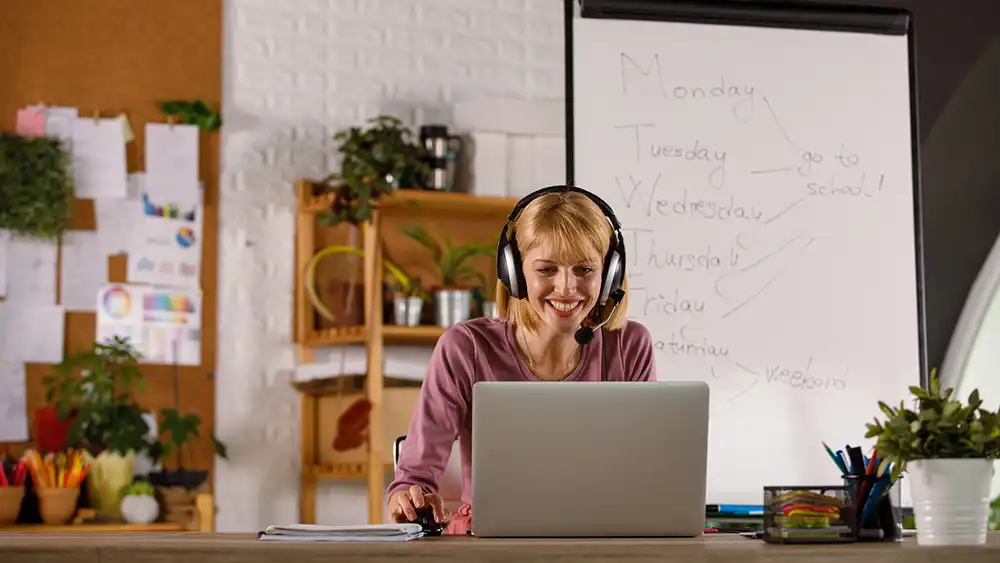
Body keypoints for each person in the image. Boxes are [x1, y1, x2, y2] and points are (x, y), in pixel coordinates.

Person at [385, 185, 657, 534]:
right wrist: (410, 500)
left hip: (600, 537)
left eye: (584, 270)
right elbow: (413, 479)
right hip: (489, 543)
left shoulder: (629, 346)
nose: (566, 288)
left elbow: (647, 475)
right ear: (515, 273)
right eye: (547, 269)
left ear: (609, 276)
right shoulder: (466, 348)